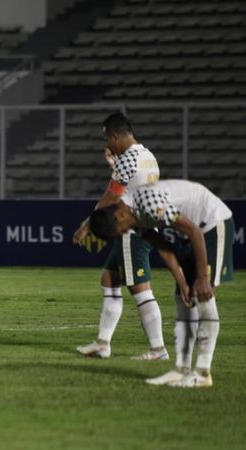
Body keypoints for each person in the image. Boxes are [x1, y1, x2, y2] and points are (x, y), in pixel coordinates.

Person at [89, 179, 233, 388]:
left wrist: (202, 278)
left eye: (119, 231)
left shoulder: (149, 206)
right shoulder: (130, 213)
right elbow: (163, 246)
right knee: (184, 302)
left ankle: (202, 373)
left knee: (203, 297)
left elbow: (195, 232)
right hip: (192, 233)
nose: (122, 234)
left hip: (212, 224)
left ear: (119, 216)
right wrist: (183, 282)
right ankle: (181, 369)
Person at [72, 112, 167, 360]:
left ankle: (158, 349)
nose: (107, 145)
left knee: (140, 290)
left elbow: (111, 196)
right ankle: (103, 344)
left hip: (132, 231)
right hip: (146, 225)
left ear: (115, 136)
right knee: (109, 280)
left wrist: (87, 224)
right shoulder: (148, 156)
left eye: (108, 140)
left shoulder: (128, 159)